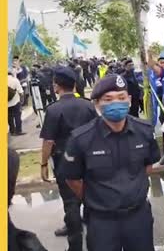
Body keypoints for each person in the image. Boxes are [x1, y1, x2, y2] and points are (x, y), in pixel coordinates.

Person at [61, 75, 160, 251]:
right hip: (101, 221)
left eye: (121, 98)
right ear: (97, 103)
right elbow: (72, 179)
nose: (116, 103)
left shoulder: (144, 131)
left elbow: (147, 167)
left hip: (138, 216)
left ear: (129, 100)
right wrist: (94, 199)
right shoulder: (81, 139)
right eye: (108, 99)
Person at [39, 66, 98, 250]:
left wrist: (43, 164)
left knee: (70, 203)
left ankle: (75, 245)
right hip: (89, 161)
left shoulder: (53, 110)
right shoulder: (88, 105)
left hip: (64, 163)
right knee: (91, 199)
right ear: (74, 85)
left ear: (57, 86)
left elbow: (48, 141)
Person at [8, 69, 25, 136]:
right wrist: (22, 101)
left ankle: (12, 131)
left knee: (9, 117)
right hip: (15, 101)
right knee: (17, 116)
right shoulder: (14, 80)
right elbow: (21, 92)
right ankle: (18, 131)